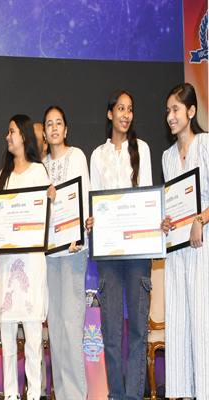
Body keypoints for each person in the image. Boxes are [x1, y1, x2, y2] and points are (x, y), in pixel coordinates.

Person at [86, 90, 153, 400]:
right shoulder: (97, 155)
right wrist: (92, 220)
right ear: (110, 113)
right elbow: (95, 200)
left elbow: (148, 196)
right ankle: (116, 394)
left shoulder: (143, 149)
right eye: (121, 109)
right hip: (109, 252)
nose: (126, 115)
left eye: (130, 109)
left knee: (138, 329)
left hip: (138, 251)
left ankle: (134, 395)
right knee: (111, 331)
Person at [0, 114, 49, 400]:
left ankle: (34, 394)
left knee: (34, 341)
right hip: (6, 266)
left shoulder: (39, 172)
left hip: (32, 265)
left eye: (11, 131)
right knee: (8, 341)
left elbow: (44, 216)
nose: (7, 136)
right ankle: (11, 395)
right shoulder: (4, 175)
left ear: (23, 136)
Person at [161, 83, 208, 399]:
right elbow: (172, 202)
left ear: (191, 111)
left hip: (202, 245)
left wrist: (200, 220)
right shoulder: (166, 157)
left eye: (176, 109)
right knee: (178, 321)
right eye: (167, 110)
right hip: (176, 250)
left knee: (202, 320)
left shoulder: (205, 145)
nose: (170, 116)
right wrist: (165, 222)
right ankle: (184, 392)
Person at [42, 106, 89, 399]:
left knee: (72, 328)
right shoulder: (40, 166)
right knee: (56, 331)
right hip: (49, 256)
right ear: (45, 133)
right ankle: (61, 393)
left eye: (58, 123)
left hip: (72, 252)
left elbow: (83, 199)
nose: (54, 128)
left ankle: (76, 395)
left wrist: (78, 235)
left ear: (66, 129)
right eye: (49, 124)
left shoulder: (77, 157)